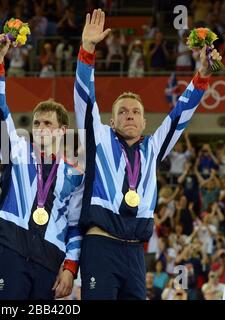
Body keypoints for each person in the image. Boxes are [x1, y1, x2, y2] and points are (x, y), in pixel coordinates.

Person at [75, 9, 221, 300]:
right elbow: (85, 98)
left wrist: (202, 76)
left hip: (135, 253)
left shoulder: (152, 148)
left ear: (144, 123)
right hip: (100, 246)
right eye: (123, 112)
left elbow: (180, 114)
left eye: (136, 112)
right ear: (112, 121)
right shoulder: (100, 137)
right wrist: (88, 50)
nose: (130, 116)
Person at [0, 34, 84, 300]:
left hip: (49, 260)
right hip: (11, 250)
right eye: (36, 123)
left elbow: (74, 225)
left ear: (62, 130)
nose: (39, 128)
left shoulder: (74, 174)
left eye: (47, 124)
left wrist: (70, 268)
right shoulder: (17, 150)